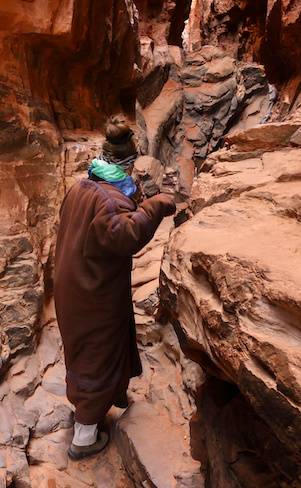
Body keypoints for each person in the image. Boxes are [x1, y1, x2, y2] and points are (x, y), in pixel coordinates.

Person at [54, 115, 177, 460]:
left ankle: (95, 404)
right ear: (127, 164)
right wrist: (158, 204)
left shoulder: (83, 187)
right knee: (98, 354)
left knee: (84, 350)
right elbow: (126, 235)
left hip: (74, 285)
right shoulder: (109, 201)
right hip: (94, 294)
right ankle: (84, 437)